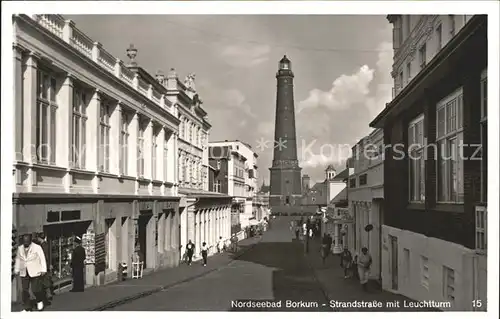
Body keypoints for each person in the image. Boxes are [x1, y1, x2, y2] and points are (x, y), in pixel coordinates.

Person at [14, 234, 47, 312]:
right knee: (25, 290)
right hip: (24, 271)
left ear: (30, 240)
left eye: (27, 241)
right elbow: (18, 259)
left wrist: (43, 269)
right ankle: (27, 307)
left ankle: (39, 300)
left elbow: (42, 258)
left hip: (35, 270)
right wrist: (16, 269)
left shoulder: (37, 247)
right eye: (24, 242)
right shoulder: (20, 248)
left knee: (35, 289)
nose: (26, 243)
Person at [37, 233, 53, 303]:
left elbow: (44, 256)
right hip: (47, 265)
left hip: (44, 266)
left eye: (38, 238)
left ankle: (47, 295)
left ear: (40, 238)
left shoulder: (42, 246)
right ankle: (48, 294)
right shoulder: (47, 244)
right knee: (46, 279)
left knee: (44, 280)